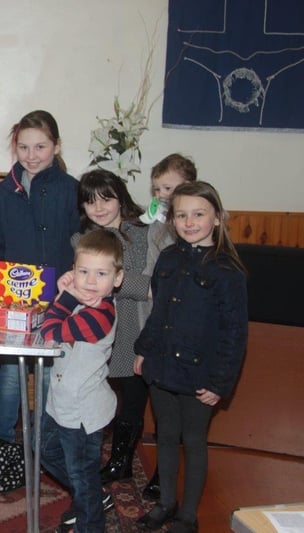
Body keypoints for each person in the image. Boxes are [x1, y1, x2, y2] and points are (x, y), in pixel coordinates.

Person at [134, 182, 248, 533]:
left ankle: (188, 514)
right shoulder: (168, 259)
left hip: (200, 375)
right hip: (162, 366)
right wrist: (142, 350)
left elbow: (235, 333)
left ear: (216, 218)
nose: (189, 221)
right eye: (181, 214)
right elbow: (157, 314)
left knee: (193, 441)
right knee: (166, 436)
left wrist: (220, 383)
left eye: (199, 214)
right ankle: (166, 502)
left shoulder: (228, 270)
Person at [0, 110, 80, 443]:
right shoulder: (4, 192)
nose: (31, 155)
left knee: (47, 373)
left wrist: (73, 285)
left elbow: (80, 242)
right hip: (12, 299)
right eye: (24, 148)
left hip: (57, 299)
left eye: (40, 147)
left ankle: (40, 438)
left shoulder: (71, 189)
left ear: (56, 147)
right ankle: (2, 438)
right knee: (11, 373)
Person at [39, 229, 124, 533]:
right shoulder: (82, 300)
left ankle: (91, 522)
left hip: (84, 413)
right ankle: (93, 493)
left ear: (117, 278)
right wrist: (66, 291)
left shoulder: (101, 314)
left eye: (100, 273)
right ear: (72, 270)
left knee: (82, 474)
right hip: (60, 403)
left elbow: (49, 331)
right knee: (46, 452)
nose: (90, 281)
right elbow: (54, 319)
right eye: (83, 271)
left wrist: (66, 294)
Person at [72, 170, 150, 486]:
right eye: (90, 202)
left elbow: (149, 286)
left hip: (137, 324)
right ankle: (94, 454)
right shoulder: (82, 239)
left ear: (121, 196)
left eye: (107, 198)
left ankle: (122, 460)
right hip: (99, 326)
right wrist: (114, 280)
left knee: (133, 395)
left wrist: (114, 281)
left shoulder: (142, 233)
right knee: (96, 392)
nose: (99, 207)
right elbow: (89, 285)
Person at [139, 153, 197, 501]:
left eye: (169, 187)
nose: (162, 193)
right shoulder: (157, 222)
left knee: (178, 411)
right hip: (155, 313)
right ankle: (162, 471)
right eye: (157, 187)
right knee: (158, 400)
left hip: (183, 321)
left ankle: (169, 474)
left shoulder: (193, 225)